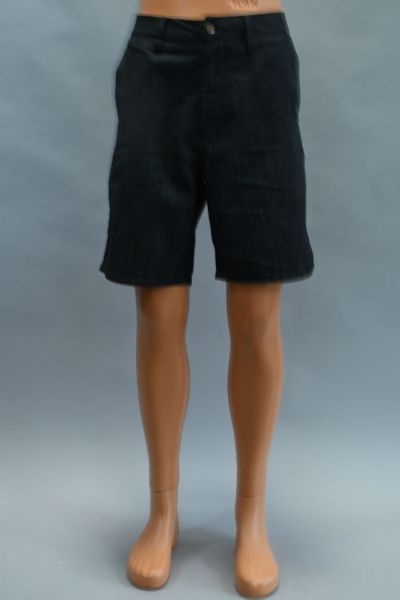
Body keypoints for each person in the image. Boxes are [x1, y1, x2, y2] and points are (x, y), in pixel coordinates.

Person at [99, 0, 314, 596]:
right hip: (158, 52)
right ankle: (162, 510)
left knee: (256, 312)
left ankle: (251, 514)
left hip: (257, 55)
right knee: (157, 305)